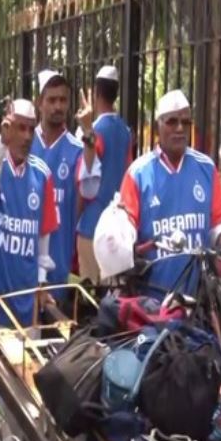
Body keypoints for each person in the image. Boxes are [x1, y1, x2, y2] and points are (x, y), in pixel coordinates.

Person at [118, 89, 221, 295]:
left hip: (198, 298)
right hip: (151, 297)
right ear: (157, 127)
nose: (180, 128)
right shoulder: (138, 173)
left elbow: (218, 222)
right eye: (171, 122)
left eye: (185, 122)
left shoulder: (206, 168)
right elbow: (125, 229)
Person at [0, 99, 59, 329]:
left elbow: (43, 237)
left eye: (31, 128)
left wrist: (41, 283)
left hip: (27, 306)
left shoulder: (42, 175)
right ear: (7, 127)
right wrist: (1, 144)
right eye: (20, 128)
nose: (27, 136)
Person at [75, 66, 132, 283]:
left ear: (96, 92)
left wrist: (75, 220)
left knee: (89, 297)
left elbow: (84, 179)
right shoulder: (126, 132)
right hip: (115, 230)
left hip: (91, 226)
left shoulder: (92, 132)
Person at [31, 69, 84, 293]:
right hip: (23, 262)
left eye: (63, 100)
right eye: (52, 100)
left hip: (59, 264)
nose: (58, 106)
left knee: (54, 325)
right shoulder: (24, 143)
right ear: (39, 103)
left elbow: (82, 202)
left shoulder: (77, 150)